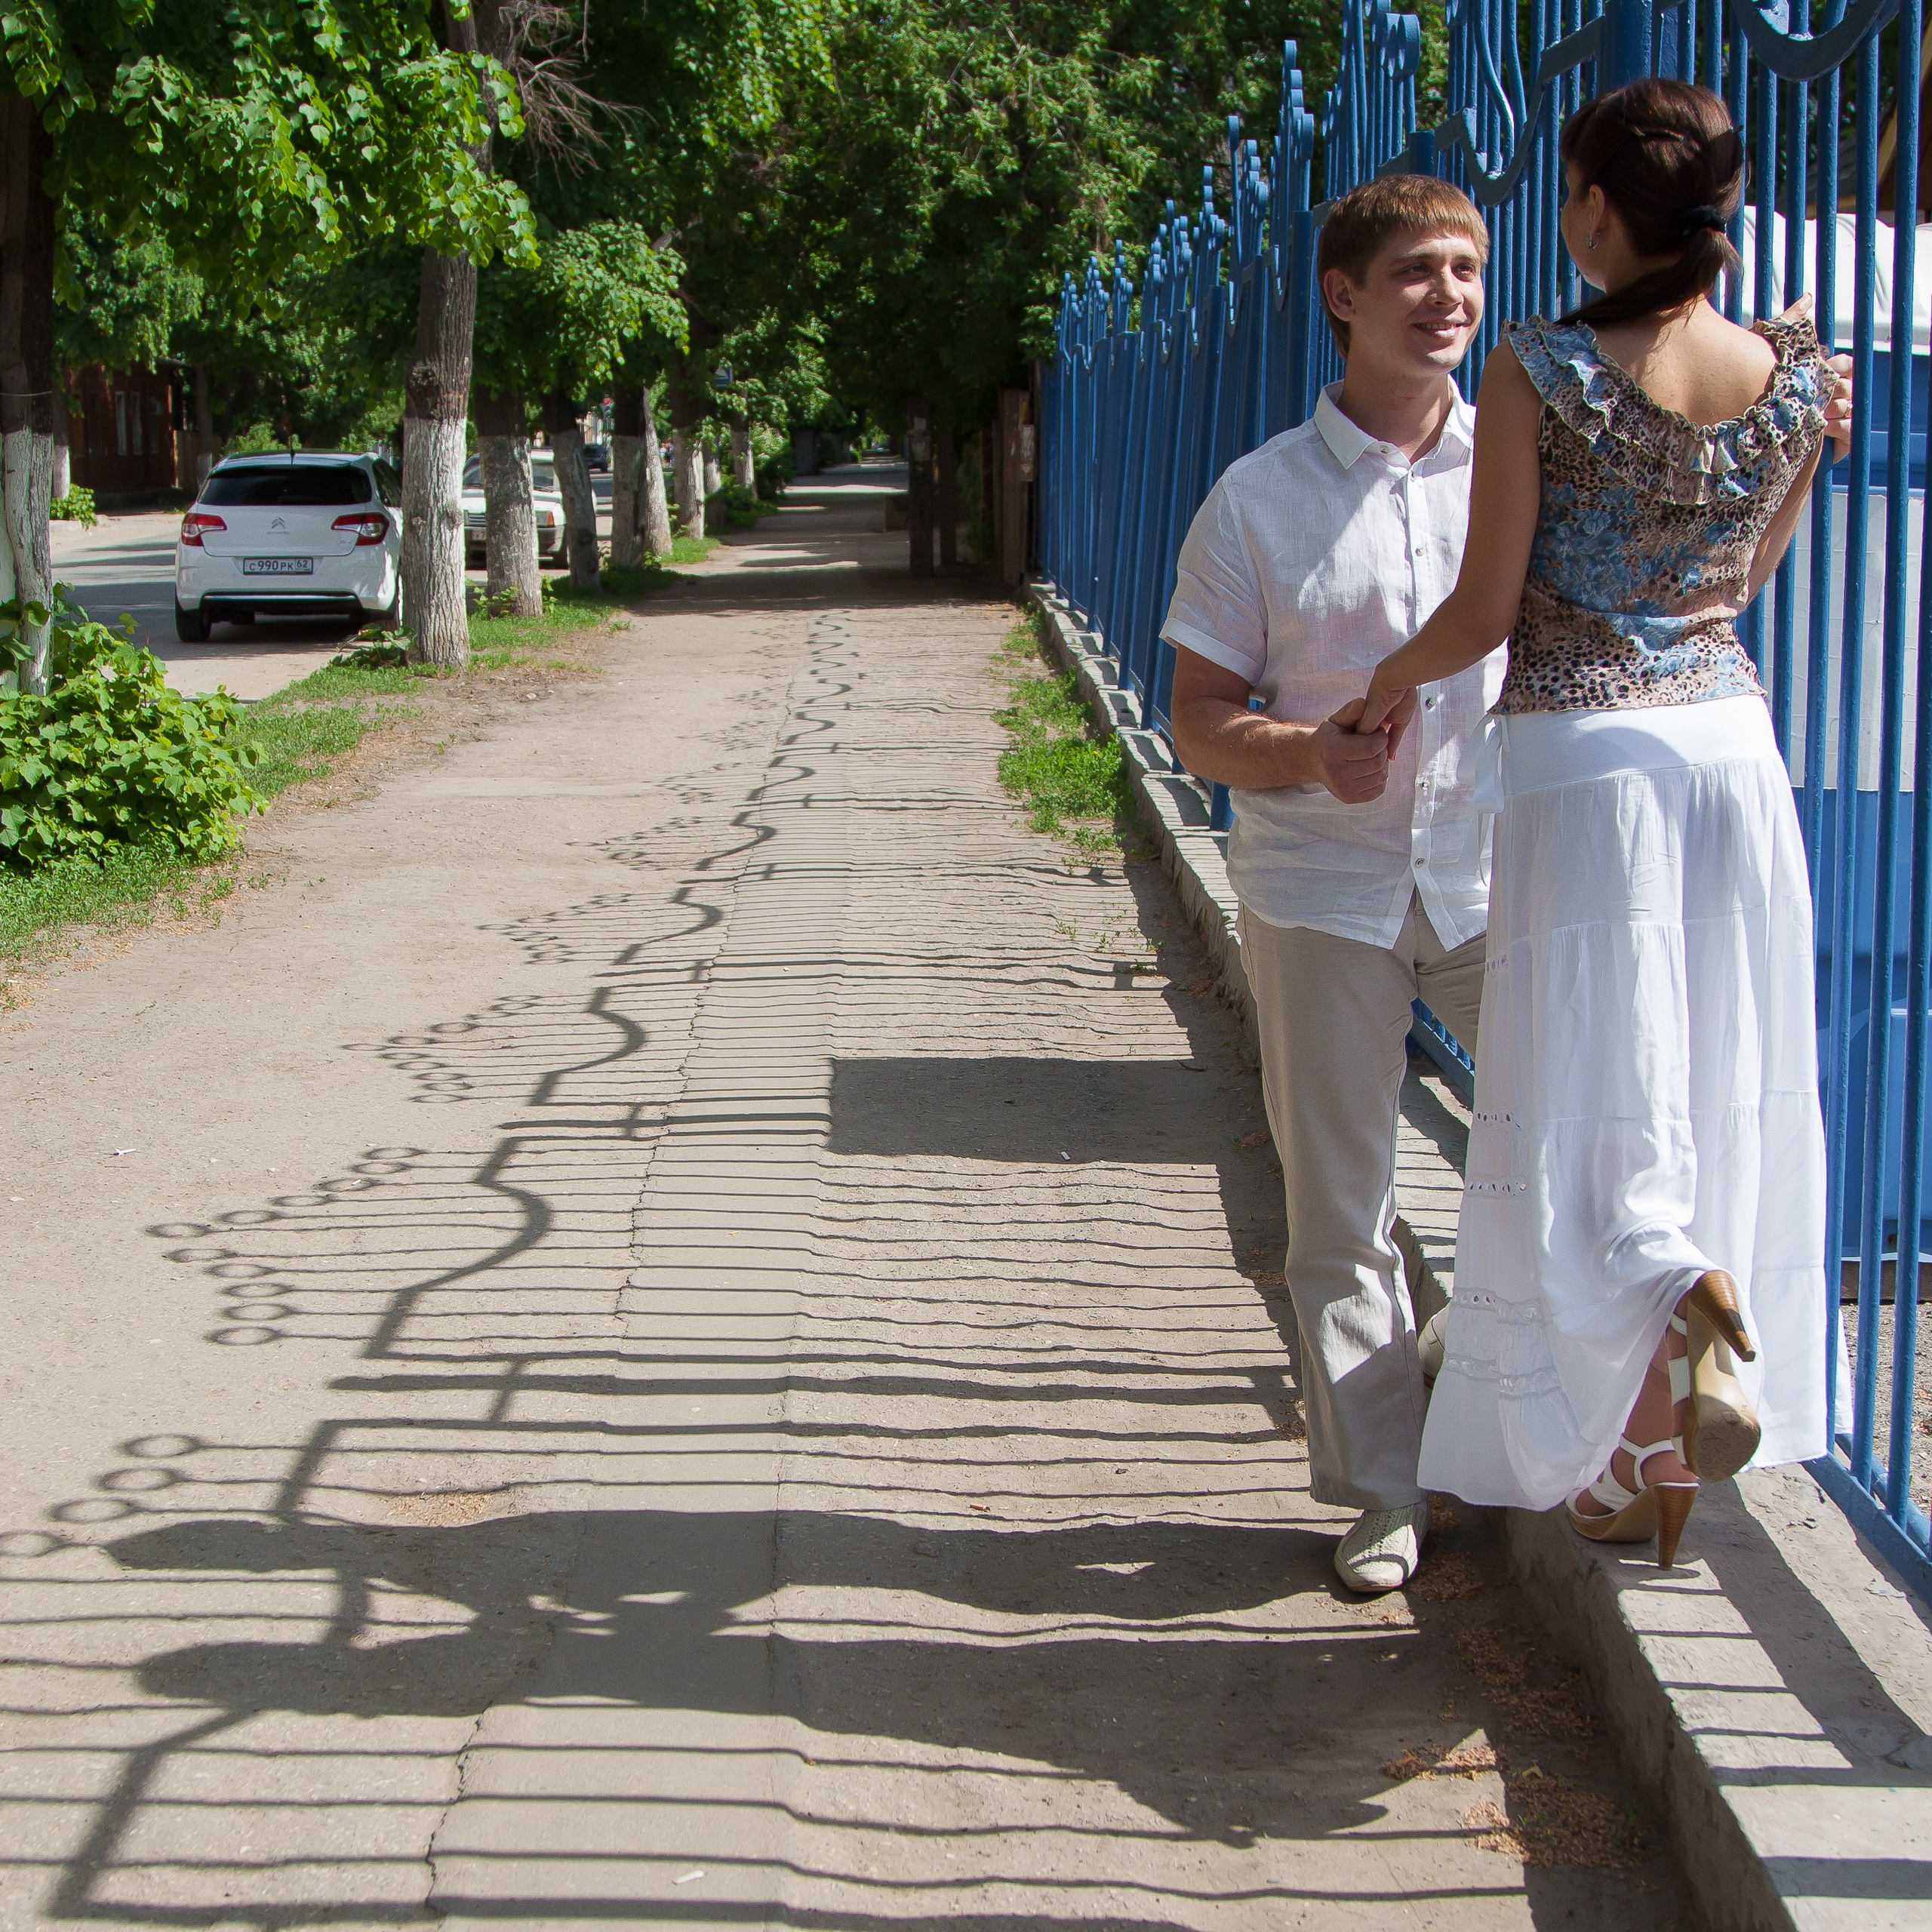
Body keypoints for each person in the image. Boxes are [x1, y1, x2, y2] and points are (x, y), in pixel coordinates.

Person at [1358, 79, 1854, 1566]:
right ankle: (1649, 1439)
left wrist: (1383, 683)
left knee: (1583, 1096)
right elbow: (1742, 578)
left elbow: (1486, 608)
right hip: (1725, 745)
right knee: (1708, 1068)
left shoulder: (1536, 372)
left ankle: (1659, 1281)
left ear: (1588, 207)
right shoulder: (1788, 373)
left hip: (1584, 757)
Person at [1164, 176, 1504, 1593]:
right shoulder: (1259, 498)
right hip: (1323, 889)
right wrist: (1309, 753)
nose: (1452, 298)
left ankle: (1477, 1391)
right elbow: (1197, 719)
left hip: (1499, 879)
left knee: (1565, 1158)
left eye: (1471, 269)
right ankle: (1381, 1490)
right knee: (1341, 1208)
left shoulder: (1520, 472)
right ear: (1344, 295)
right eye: (1419, 271)